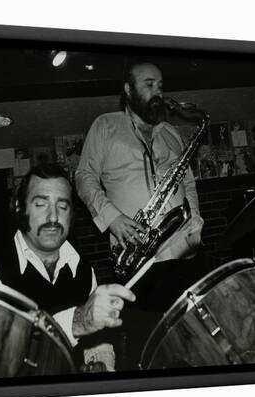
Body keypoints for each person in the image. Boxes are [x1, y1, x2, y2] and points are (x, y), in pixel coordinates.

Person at [75, 60, 207, 369]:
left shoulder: (171, 134)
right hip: (138, 261)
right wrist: (112, 218)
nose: (157, 92)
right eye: (148, 85)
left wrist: (196, 221)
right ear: (128, 90)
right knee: (154, 351)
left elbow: (187, 181)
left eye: (160, 85)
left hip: (184, 254)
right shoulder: (105, 126)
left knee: (198, 344)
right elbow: (84, 177)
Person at [0, 163, 135, 370]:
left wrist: (100, 364)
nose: (53, 217)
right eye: (41, 204)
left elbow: (97, 342)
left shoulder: (84, 270)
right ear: (20, 208)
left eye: (62, 207)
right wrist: (76, 322)